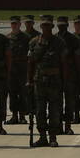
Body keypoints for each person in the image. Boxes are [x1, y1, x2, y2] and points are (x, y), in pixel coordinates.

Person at [28, 16, 69, 146]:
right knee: (40, 110)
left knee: (54, 110)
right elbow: (31, 63)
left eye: (48, 25)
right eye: (44, 25)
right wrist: (29, 80)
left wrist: (65, 80)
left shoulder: (59, 42)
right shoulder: (34, 42)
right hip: (39, 81)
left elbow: (64, 63)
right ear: (41, 27)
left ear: (52, 27)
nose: (46, 28)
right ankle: (42, 136)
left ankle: (52, 137)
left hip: (55, 81)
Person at [55, 16, 80, 135]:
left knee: (70, 101)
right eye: (59, 25)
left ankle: (68, 125)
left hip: (70, 74)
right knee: (57, 102)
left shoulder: (73, 39)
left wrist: (77, 73)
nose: (61, 27)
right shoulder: (54, 38)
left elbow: (77, 58)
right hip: (57, 74)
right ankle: (59, 125)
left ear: (66, 25)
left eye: (63, 25)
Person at [8, 15, 30, 124]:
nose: (14, 25)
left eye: (16, 23)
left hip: (22, 70)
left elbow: (29, 56)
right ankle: (14, 115)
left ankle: (22, 116)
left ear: (20, 24)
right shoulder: (7, 38)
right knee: (12, 94)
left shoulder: (25, 38)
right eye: (12, 23)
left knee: (22, 94)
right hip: (11, 71)